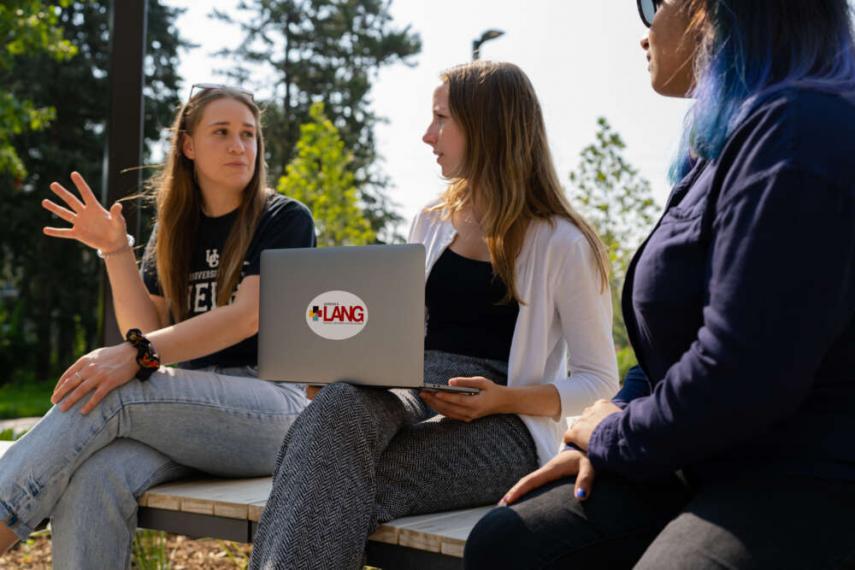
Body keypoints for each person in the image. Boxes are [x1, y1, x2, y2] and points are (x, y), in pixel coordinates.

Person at [464, 1, 855, 568]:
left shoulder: (801, 131)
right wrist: (614, 423)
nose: (643, 30)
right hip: (701, 455)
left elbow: (742, 375)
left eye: (653, 4)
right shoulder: (720, 150)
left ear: (712, 11)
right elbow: (666, 348)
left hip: (806, 475)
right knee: (509, 541)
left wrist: (612, 438)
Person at [248, 60, 620, 570]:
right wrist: (348, 368)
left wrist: (502, 400)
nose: (428, 135)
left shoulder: (564, 243)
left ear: (488, 127)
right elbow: (398, 336)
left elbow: (599, 382)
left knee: (324, 474)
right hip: (413, 385)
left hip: (507, 423)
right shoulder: (430, 221)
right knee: (332, 414)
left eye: (442, 119)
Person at [0, 85, 315, 568]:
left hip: (273, 406)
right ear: (188, 145)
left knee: (115, 389)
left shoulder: (283, 218)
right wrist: (116, 251)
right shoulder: (173, 232)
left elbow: (246, 316)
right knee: (96, 477)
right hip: (189, 410)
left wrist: (135, 356)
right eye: (223, 132)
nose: (240, 146)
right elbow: (144, 328)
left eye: (249, 135)